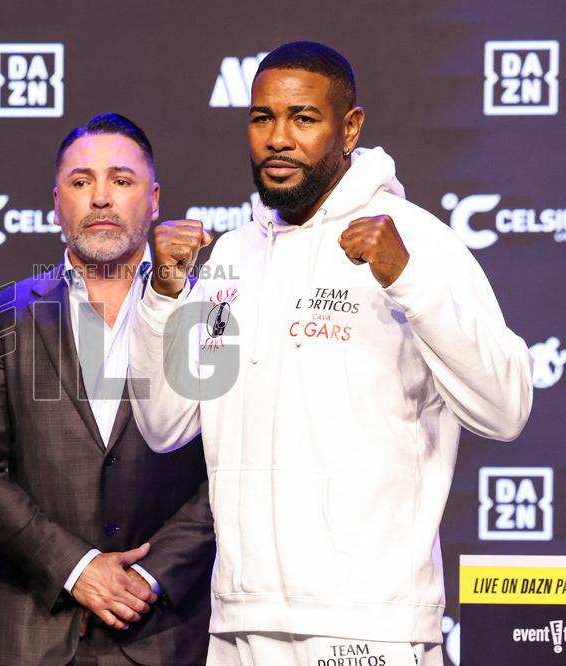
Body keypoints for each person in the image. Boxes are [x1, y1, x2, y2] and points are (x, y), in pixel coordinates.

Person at [128, 41, 533, 666]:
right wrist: (160, 298)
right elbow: (166, 424)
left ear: (350, 127)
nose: (278, 138)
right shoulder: (232, 257)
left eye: (303, 118)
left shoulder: (417, 241)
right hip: (241, 618)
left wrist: (408, 281)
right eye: (262, 118)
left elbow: (506, 410)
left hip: (369, 620)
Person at [0, 114, 215, 665]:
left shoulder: (207, 314)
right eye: (80, 181)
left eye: (121, 180)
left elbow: (230, 470)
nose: (99, 198)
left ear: (154, 198)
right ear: (55, 202)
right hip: (39, 634)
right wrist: (76, 567)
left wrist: (150, 575)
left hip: (168, 634)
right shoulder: (4, 316)